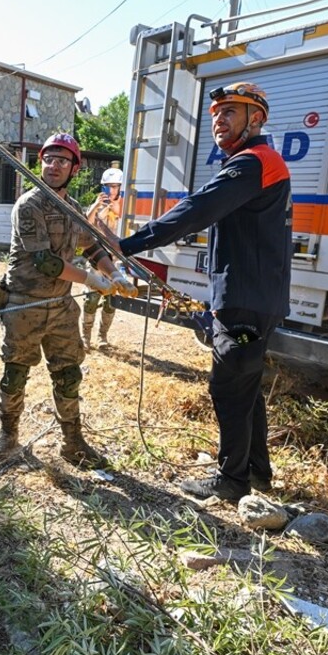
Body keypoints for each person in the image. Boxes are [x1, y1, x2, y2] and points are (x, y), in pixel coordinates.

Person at [110, 82, 291, 503]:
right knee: (245, 385)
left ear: (257, 119)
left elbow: (196, 210)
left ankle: (231, 480)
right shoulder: (258, 163)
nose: (219, 120)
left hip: (246, 301)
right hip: (252, 298)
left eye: (231, 111)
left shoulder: (252, 163)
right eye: (215, 113)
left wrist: (129, 244)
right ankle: (258, 471)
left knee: (227, 388)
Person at [0, 133, 136, 468]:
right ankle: (8, 437)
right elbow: (45, 261)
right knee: (15, 374)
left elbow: (92, 246)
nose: (53, 165)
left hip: (60, 307)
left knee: (68, 374)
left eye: (62, 160)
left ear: (74, 169)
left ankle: (73, 443)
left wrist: (115, 274)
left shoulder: (72, 208)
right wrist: (90, 279)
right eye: (48, 159)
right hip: (24, 304)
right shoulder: (29, 205)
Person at [81, 164, 125, 349]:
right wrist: (97, 206)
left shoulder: (124, 206)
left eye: (116, 186)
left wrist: (116, 207)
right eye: (109, 186)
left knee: (111, 302)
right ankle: (85, 338)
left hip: (115, 262)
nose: (112, 189)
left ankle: (102, 337)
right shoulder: (98, 205)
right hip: (96, 260)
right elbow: (86, 224)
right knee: (91, 300)